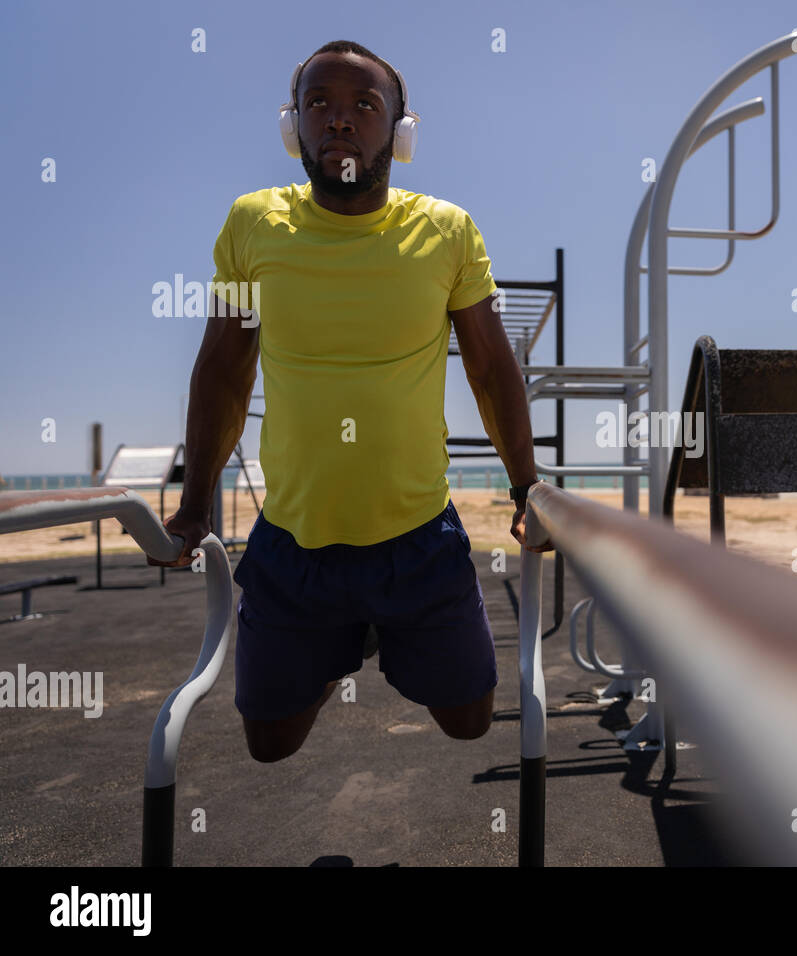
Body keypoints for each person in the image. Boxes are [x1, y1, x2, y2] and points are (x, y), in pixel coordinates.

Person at [150, 40, 551, 762]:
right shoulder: (252, 225)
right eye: (319, 104)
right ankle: (339, 644)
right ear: (293, 127)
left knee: (469, 721)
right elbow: (222, 369)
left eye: (364, 106)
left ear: (399, 136)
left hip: (419, 541)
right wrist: (195, 503)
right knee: (269, 744)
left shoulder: (447, 231)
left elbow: (491, 369)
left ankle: (372, 634)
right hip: (293, 545)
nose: (340, 120)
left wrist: (526, 489)